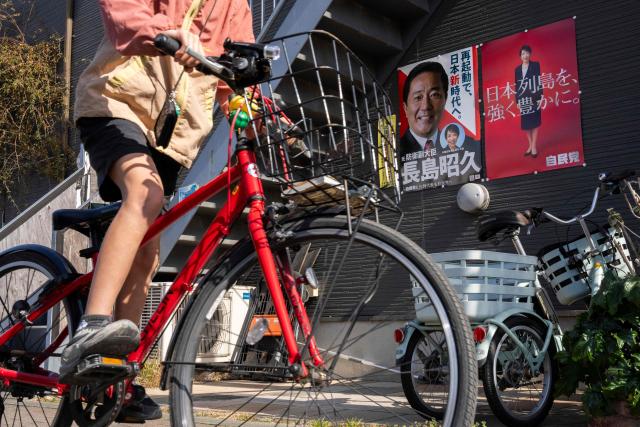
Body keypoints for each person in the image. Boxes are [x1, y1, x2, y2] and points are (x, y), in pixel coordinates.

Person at [59, 0, 254, 422]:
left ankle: (118, 378)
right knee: (144, 197)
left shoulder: (236, 5)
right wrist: (166, 34)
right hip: (116, 103)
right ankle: (92, 326)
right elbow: (120, 14)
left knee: (147, 254)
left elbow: (235, 77)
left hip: (174, 136)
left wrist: (252, 110)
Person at [399, 61, 449, 160]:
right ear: (405, 108)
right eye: (418, 97)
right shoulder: (394, 155)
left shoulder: (467, 147)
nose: (426, 106)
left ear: (445, 99)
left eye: (434, 95)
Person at [515, 44, 542, 158]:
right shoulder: (517, 70)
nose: (525, 55)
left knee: (535, 123)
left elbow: (539, 81)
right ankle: (530, 145)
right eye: (522, 54)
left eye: (527, 53)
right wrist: (517, 101)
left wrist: (541, 97)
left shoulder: (535, 65)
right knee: (526, 125)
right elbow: (516, 86)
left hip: (535, 98)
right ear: (520, 56)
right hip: (523, 99)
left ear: (530, 54)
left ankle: (534, 146)